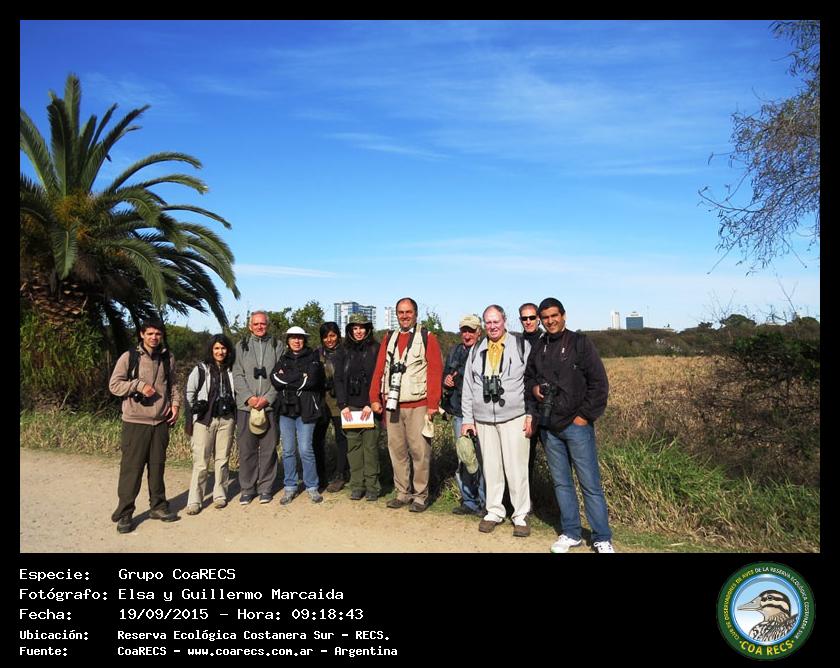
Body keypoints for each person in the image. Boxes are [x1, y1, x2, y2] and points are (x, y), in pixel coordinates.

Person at [524, 297, 615, 553]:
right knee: (562, 484)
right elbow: (529, 377)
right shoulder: (539, 346)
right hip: (549, 427)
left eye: (554, 315)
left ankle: (602, 537)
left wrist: (584, 416)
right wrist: (535, 388)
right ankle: (571, 533)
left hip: (577, 425)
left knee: (590, 484)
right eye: (545, 317)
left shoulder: (580, 343)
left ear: (563, 315)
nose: (550, 321)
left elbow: (599, 383)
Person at [461, 305, 533, 537]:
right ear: (484, 325)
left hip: (514, 417)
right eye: (488, 322)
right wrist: (467, 419)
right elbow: (468, 387)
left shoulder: (521, 346)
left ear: (504, 321)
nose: (492, 326)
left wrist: (531, 414)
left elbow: (531, 382)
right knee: (491, 468)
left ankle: (521, 514)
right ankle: (494, 511)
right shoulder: (476, 350)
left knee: (516, 468)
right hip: (483, 419)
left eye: (496, 321)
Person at [370, 297, 443, 513]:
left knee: (420, 452)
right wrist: (374, 397)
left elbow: (435, 371)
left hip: (418, 404)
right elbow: (379, 369)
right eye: (401, 312)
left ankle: (420, 496)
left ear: (416, 314)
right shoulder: (389, 338)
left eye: (408, 312)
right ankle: (402, 493)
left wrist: (433, 404)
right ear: (396, 315)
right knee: (397, 451)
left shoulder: (427, 337)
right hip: (392, 404)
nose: (404, 316)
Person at [108, 318, 180, 534]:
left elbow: (174, 384)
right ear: (142, 334)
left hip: (161, 422)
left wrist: (175, 405)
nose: (154, 337)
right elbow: (114, 385)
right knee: (132, 469)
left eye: (158, 334)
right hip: (135, 422)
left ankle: (158, 506)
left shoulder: (167, 357)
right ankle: (125, 513)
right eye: (150, 333)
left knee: (157, 467)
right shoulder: (129, 357)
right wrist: (138, 385)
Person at [271, 326, 325, 504]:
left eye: (300, 338)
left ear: (304, 340)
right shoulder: (282, 359)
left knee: (305, 449)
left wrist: (287, 379)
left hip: (307, 410)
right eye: (293, 337)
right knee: (288, 450)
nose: (296, 341)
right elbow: (275, 379)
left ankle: (312, 487)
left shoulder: (313, 358)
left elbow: (312, 381)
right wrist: (300, 376)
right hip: (286, 411)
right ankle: (290, 487)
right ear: (288, 340)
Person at [184, 334, 237, 515]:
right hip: (204, 420)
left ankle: (220, 495)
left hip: (226, 420)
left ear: (228, 350)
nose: (220, 352)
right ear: (211, 350)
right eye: (216, 348)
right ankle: (195, 500)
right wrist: (192, 418)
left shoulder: (231, 370)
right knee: (201, 461)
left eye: (223, 348)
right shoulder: (200, 369)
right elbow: (189, 394)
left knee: (222, 460)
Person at [232, 311, 280, 506]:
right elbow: (237, 374)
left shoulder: (277, 345)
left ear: (267, 325)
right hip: (246, 407)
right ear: (250, 326)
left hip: (269, 407)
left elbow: (280, 375)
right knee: (247, 449)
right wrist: (248, 398)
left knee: (269, 449)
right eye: (256, 324)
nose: (260, 327)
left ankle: (266, 487)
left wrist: (268, 398)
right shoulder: (241, 346)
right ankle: (247, 488)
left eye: (263, 324)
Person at [334, 312, 382, 501]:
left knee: (370, 448)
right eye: (355, 328)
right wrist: (343, 405)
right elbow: (338, 379)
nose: (359, 331)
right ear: (350, 330)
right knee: (353, 449)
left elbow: (381, 377)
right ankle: (357, 486)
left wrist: (372, 403)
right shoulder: (342, 351)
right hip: (350, 408)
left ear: (368, 329)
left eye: (362, 327)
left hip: (370, 407)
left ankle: (372, 487)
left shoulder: (376, 349)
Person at [441, 314, 485, 516]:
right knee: (464, 457)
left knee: (483, 460)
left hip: (481, 415)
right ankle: (469, 501)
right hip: (459, 412)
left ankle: (486, 502)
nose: (467, 335)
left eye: (471, 331)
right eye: (464, 331)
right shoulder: (455, 351)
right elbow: (445, 375)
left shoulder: (485, 351)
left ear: (479, 332)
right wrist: (446, 380)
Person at [313, 322, 349, 492]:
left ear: (338, 336)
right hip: (320, 402)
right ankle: (320, 475)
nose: (329, 339)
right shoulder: (316, 354)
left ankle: (340, 474)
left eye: (333, 335)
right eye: (326, 336)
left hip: (339, 402)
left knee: (342, 439)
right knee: (317, 439)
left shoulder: (345, 353)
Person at [519, 302, 543, 481]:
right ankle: (526, 495)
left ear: (538, 319)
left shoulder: (546, 340)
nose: (528, 321)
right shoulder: (516, 343)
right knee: (525, 459)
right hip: (524, 407)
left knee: (556, 458)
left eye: (532, 317)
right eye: (524, 318)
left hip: (546, 407)